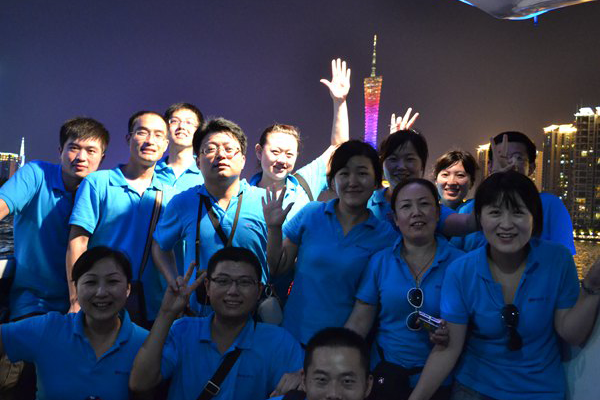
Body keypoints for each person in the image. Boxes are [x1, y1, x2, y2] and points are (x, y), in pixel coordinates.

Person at [408, 171, 600, 400]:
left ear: (534, 218)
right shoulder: (461, 271)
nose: (506, 224)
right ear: (479, 218)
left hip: (540, 391)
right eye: (495, 212)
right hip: (475, 389)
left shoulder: (557, 260)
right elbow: (449, 348)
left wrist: (592, 285)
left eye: (518, 212)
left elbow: (571, 333)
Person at [263, 140, 397, 345]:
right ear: (333, 181)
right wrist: (274, 228)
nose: (353, 181)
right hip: (294, 338)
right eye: (344, 173)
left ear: (376, 181)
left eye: (362, 173)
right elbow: (278, 268)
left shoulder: (385, 235)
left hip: (345, 345)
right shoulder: (311, 213)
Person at [129, 246, 304, 399]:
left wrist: (302, 382)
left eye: (244, 282)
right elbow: (140, 383)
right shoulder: (183, 331)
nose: (233, 291)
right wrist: (166, 314)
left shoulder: (279, 342)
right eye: (223, 281)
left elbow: (305, 385)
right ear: (207, 287)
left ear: (259, 291)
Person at [345, 178, 465, 400]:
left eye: (424, 204)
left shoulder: (460, 264)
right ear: (395, 219)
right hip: (385, 376)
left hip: (440, 381)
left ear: (438, 213)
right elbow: (360, 321)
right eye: (406, 206)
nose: (416, 212)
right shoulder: (380, 261)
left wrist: (450, 333)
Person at [152, 118, 269, 313]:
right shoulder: (183, 203)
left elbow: (281, 259)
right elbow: (160, 245)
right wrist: (175, 281)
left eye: (229, 149)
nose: (221, 155)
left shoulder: (265, 201)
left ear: (243, 160)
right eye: (210, 149)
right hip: (200, 315)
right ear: (198, 162)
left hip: (254, 315)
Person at [0, 246, 148, 400]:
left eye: (112, 282)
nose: (101, 292)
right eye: (91, 282)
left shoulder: (145, 343)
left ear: (128, 289)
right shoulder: (50, 329)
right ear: (75, 289)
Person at [0, 117, 109, 320]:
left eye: (91, 151)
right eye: (74, 148)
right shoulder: (36, 174)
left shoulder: (103, 191)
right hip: (33, 303)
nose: (81, 157)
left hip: (89, 302)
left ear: (102, 158)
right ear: (60, 151)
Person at [67, 111, 169, 322]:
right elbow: (78, 242)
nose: (150, 140)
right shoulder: (98, 183)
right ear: (129, 138)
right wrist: (76, 299)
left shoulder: (169, 194)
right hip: (101, 297)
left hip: (151, 304)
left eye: (158, 135)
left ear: (166, 145)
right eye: (142, 132)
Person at [250, 58, 350, 219]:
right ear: (259, 151)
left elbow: (339, 148)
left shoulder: (305, 183)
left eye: (289, 154)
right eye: (275, 152)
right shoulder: (241, 195)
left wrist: (339, 102)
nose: (282, 160)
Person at [452, 131, 576, 254]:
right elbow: (453, 254)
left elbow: (563, 256)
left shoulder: (550, 205)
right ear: (489, 166)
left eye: (518, 158)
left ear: (531, 167)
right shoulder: (468, 209)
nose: (509, 163)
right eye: (501, 157)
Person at [368, 125, 474, 237]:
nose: (401, 166)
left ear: (422, 165)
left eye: (409, 159)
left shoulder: (431, 206)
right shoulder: (367, 202)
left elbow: (466, 223)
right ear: (382, 164)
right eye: (393, 159)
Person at [155, 102, 205, 191]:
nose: (181, 126)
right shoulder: (151, 170)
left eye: (189, 122)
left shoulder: (207, 172)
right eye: (174, 121)